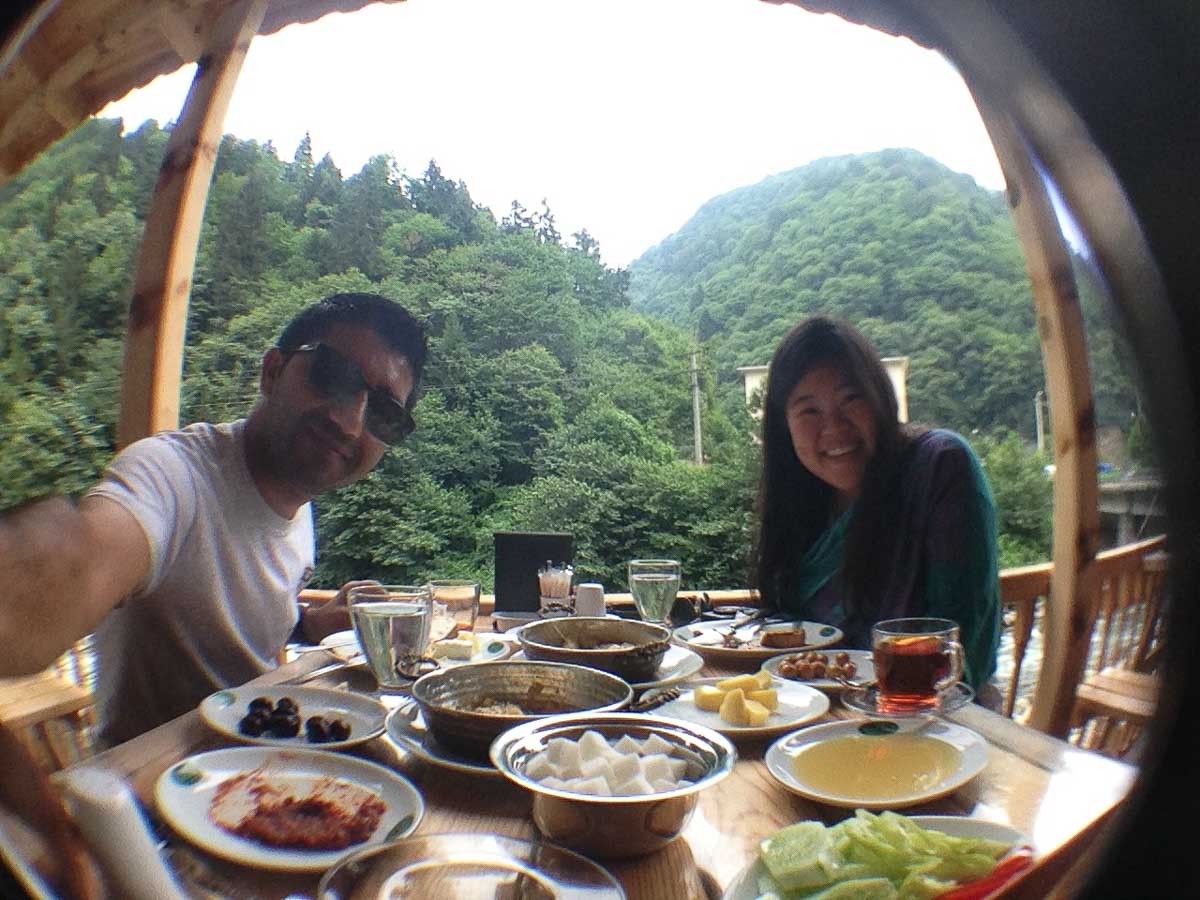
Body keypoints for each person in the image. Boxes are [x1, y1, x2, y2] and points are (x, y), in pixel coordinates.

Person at [0, 292, 427, 745]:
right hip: (150, 793)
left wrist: (311, 624)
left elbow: (230, 619)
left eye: (384, 413)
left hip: (265, 765)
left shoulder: (299, 512)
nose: (350, 423)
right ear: (272, 371)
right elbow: (84, 560)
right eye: (332, 375)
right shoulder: (173, 474)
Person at [753, 315, 1001, 698]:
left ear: (880, 397)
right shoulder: (801, 502)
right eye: (809, 411)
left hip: (929, 717)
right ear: (784, 426)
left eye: (851, 399)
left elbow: (962, 649)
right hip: (811, 712)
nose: (834, 428)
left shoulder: (939, 467)